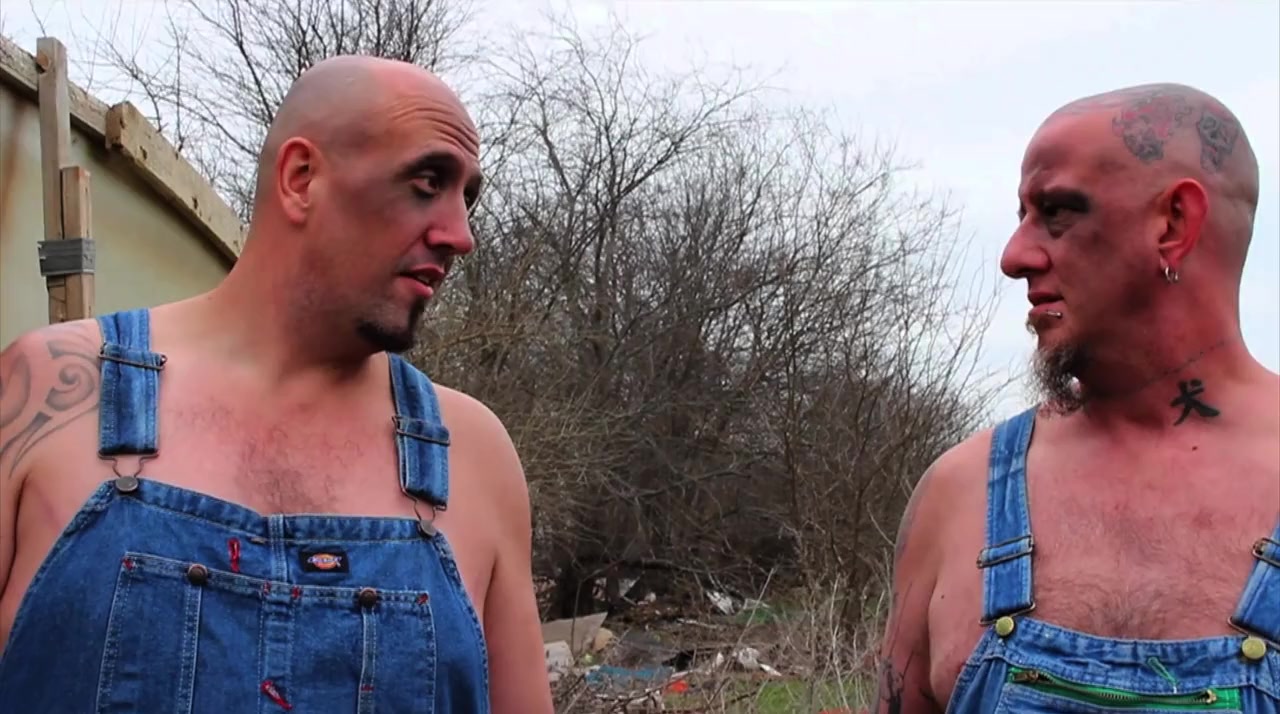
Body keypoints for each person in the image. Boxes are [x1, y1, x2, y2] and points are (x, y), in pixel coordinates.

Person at [0, 55, 554, 712]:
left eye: (467, 198)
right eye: (427, 183)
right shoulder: (52, 393)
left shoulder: (475, 458)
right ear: (301, 178)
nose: (460, 235)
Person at [876, 83, 1279, 713]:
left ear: (1174, 223)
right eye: (1021, 216)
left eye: (1058, 212)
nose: (1014, 257)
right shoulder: (959, 496)